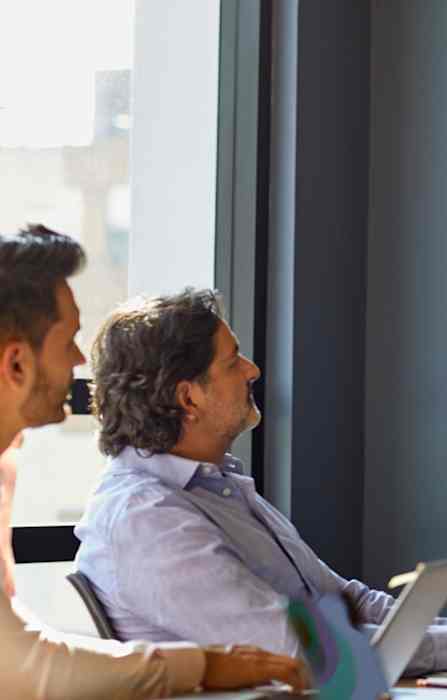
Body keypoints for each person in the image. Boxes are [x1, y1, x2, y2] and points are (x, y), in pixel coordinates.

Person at [74, 289, 447, 676]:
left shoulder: (218, 485)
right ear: (188, 398)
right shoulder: (145, 519)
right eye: (232, 361)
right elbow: (295, 646)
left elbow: (343, 600)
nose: (253, 370)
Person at [0, 225, 306, 698]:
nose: (81, 361)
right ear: (17, 365)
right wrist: (201, 665)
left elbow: (21, 647)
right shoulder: (145, 514)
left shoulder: (7, 465)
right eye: (68, 344)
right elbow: (28, 667)